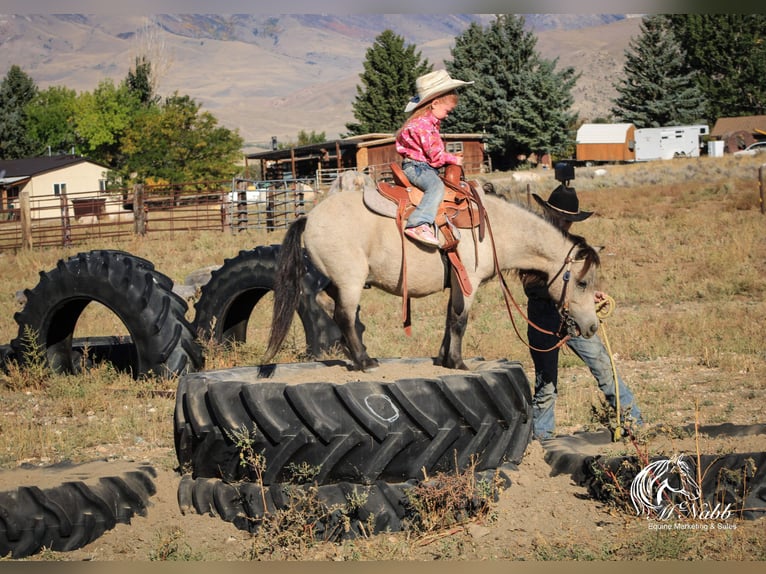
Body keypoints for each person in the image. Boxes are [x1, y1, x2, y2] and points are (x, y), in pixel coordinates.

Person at [520, 184, 644, 440]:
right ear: (549, 212)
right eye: (562, 218)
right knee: (546, 384)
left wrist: (589, 296)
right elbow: (527, 283)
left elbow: (582, 280)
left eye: (570, 220)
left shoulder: (576, 246)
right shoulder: (533, 241)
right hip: (543, 316)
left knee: (603, 368)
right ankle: (542, 439)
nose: (566, 224)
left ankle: (635, 425)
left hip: (574, 317)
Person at [395, 70, 473, 247]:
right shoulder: (424, 126)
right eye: (447, 110)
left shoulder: (424, 123)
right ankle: (419, 224)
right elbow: (435, 156)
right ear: (435, 103)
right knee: (436, 187)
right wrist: (453, 159)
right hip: (418, 168)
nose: (448, 115)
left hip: (419, 166)